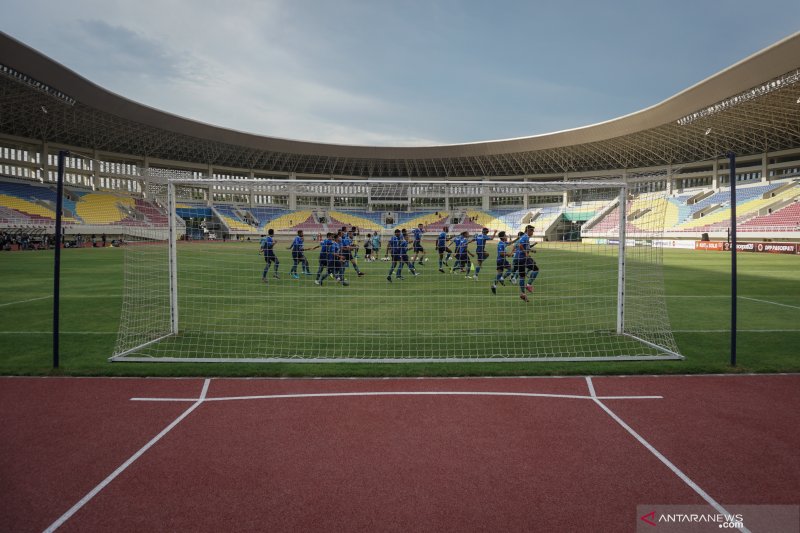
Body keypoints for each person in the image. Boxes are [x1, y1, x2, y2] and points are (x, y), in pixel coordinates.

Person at [512, 225, 536, 302]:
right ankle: (528, 285)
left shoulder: (525, 237)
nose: (533, 232)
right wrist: (526, 253)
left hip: (520, 258)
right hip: (523, 258)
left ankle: (523, 294)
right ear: (528, 230)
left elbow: (524, 246)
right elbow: (520, 245)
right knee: (536, 269)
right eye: (532, 231)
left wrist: (531, 251)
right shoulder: (525, 237)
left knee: (522, 277)